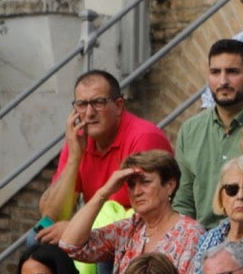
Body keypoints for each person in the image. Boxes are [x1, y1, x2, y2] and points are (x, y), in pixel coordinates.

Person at [56, 150, 204, 274]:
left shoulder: (190, 233)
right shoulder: (130, 227)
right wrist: (104, 192)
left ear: (170, 185)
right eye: (131, 185)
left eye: (145, 182)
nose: (136, 191)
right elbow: (70, 245)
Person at [40, 69, 173, 228]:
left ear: (118, 106)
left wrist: (73, 231)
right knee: (35, 239)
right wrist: (74, 158)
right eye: (81, 105)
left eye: (98, 102)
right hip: (96, 235)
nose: (89, 113)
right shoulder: (78, 140)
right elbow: (51, 216)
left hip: (136, 239)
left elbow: (147, 216)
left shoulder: (144, 138)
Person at [173, 39, 243, 229]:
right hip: (200, 240)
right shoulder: (189, 131)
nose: (223, 81)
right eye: (215, 72)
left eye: (232, 72)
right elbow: (183, 202)